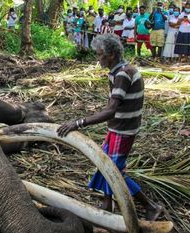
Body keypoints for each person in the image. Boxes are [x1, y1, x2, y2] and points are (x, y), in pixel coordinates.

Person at [57, 33, 162, 222]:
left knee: (114, 173)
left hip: (123, 130)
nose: (98, 59)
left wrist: (79, 123)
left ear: (111, 55)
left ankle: (151, 206)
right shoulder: (118, 72)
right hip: (117, 128)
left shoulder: (123, 74)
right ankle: (107, 205)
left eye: (99, 55)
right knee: (105, 165)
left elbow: (111, 110)